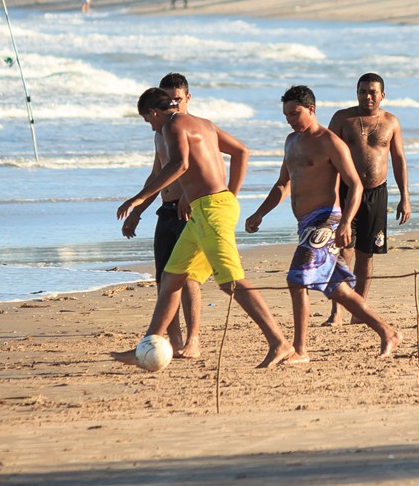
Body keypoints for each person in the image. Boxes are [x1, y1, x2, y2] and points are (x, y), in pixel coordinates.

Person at [116, 89, 293, 368]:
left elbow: (180, 164)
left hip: (211, 211)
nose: (151, 127)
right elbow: (238, 151)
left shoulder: (172, 124)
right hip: (204, 210)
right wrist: (228, 194)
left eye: (147, 120)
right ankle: (147, 344)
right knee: (171, 279)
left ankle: (279, 342)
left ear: (153, 112)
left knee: (230, 282)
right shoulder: (203, 123)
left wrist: (138, 198)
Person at [246, 86, 402, 362]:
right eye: (286, 115)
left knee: (296, 279)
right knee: (337, 288)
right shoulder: (291, 141)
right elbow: (283, 184)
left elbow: (354, 184)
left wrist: (345, 223)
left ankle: (299, 350)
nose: (290, 120)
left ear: (311, 109)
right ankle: (387, 331)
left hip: (325, 221)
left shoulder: (330, 142)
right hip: (304, 223)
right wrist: (260, 213)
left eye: (295, 114)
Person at [121, 73, 236, 359]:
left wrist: (196, 195)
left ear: (187, 98)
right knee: (166, 278)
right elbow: (158, 172)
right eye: (167, 98)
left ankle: (193, 339)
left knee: (189, 280)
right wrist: (139, 209)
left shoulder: (197, 127)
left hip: (194, 210)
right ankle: (167, 342)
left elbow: (198, 166)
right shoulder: (162, 134)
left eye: (177, 99)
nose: (172, 103)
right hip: (166, 210)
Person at [323, 73, 410, 326]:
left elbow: (399, 159)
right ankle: (336, 311)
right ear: (357, 92)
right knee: (342, 251)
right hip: (346, 191)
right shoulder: (343, 118)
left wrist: (405, 196)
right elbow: (327, 154)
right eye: (363, 91)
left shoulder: (391, 122)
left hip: (376, 193)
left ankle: (358, 311)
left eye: (373, 92)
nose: (367, 96)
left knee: (366, 253)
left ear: (383, 95)